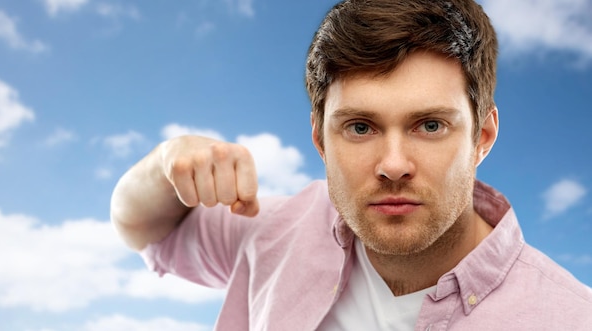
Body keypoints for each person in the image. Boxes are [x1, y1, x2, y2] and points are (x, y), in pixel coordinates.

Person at [110, 0, 592, 330]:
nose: (394, 165)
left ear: (482, 137)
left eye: (429, 126)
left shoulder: (570, 318)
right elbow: (141, 228)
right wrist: (166, 160)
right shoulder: (274, 232)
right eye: (361, 127)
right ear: (321, 139)